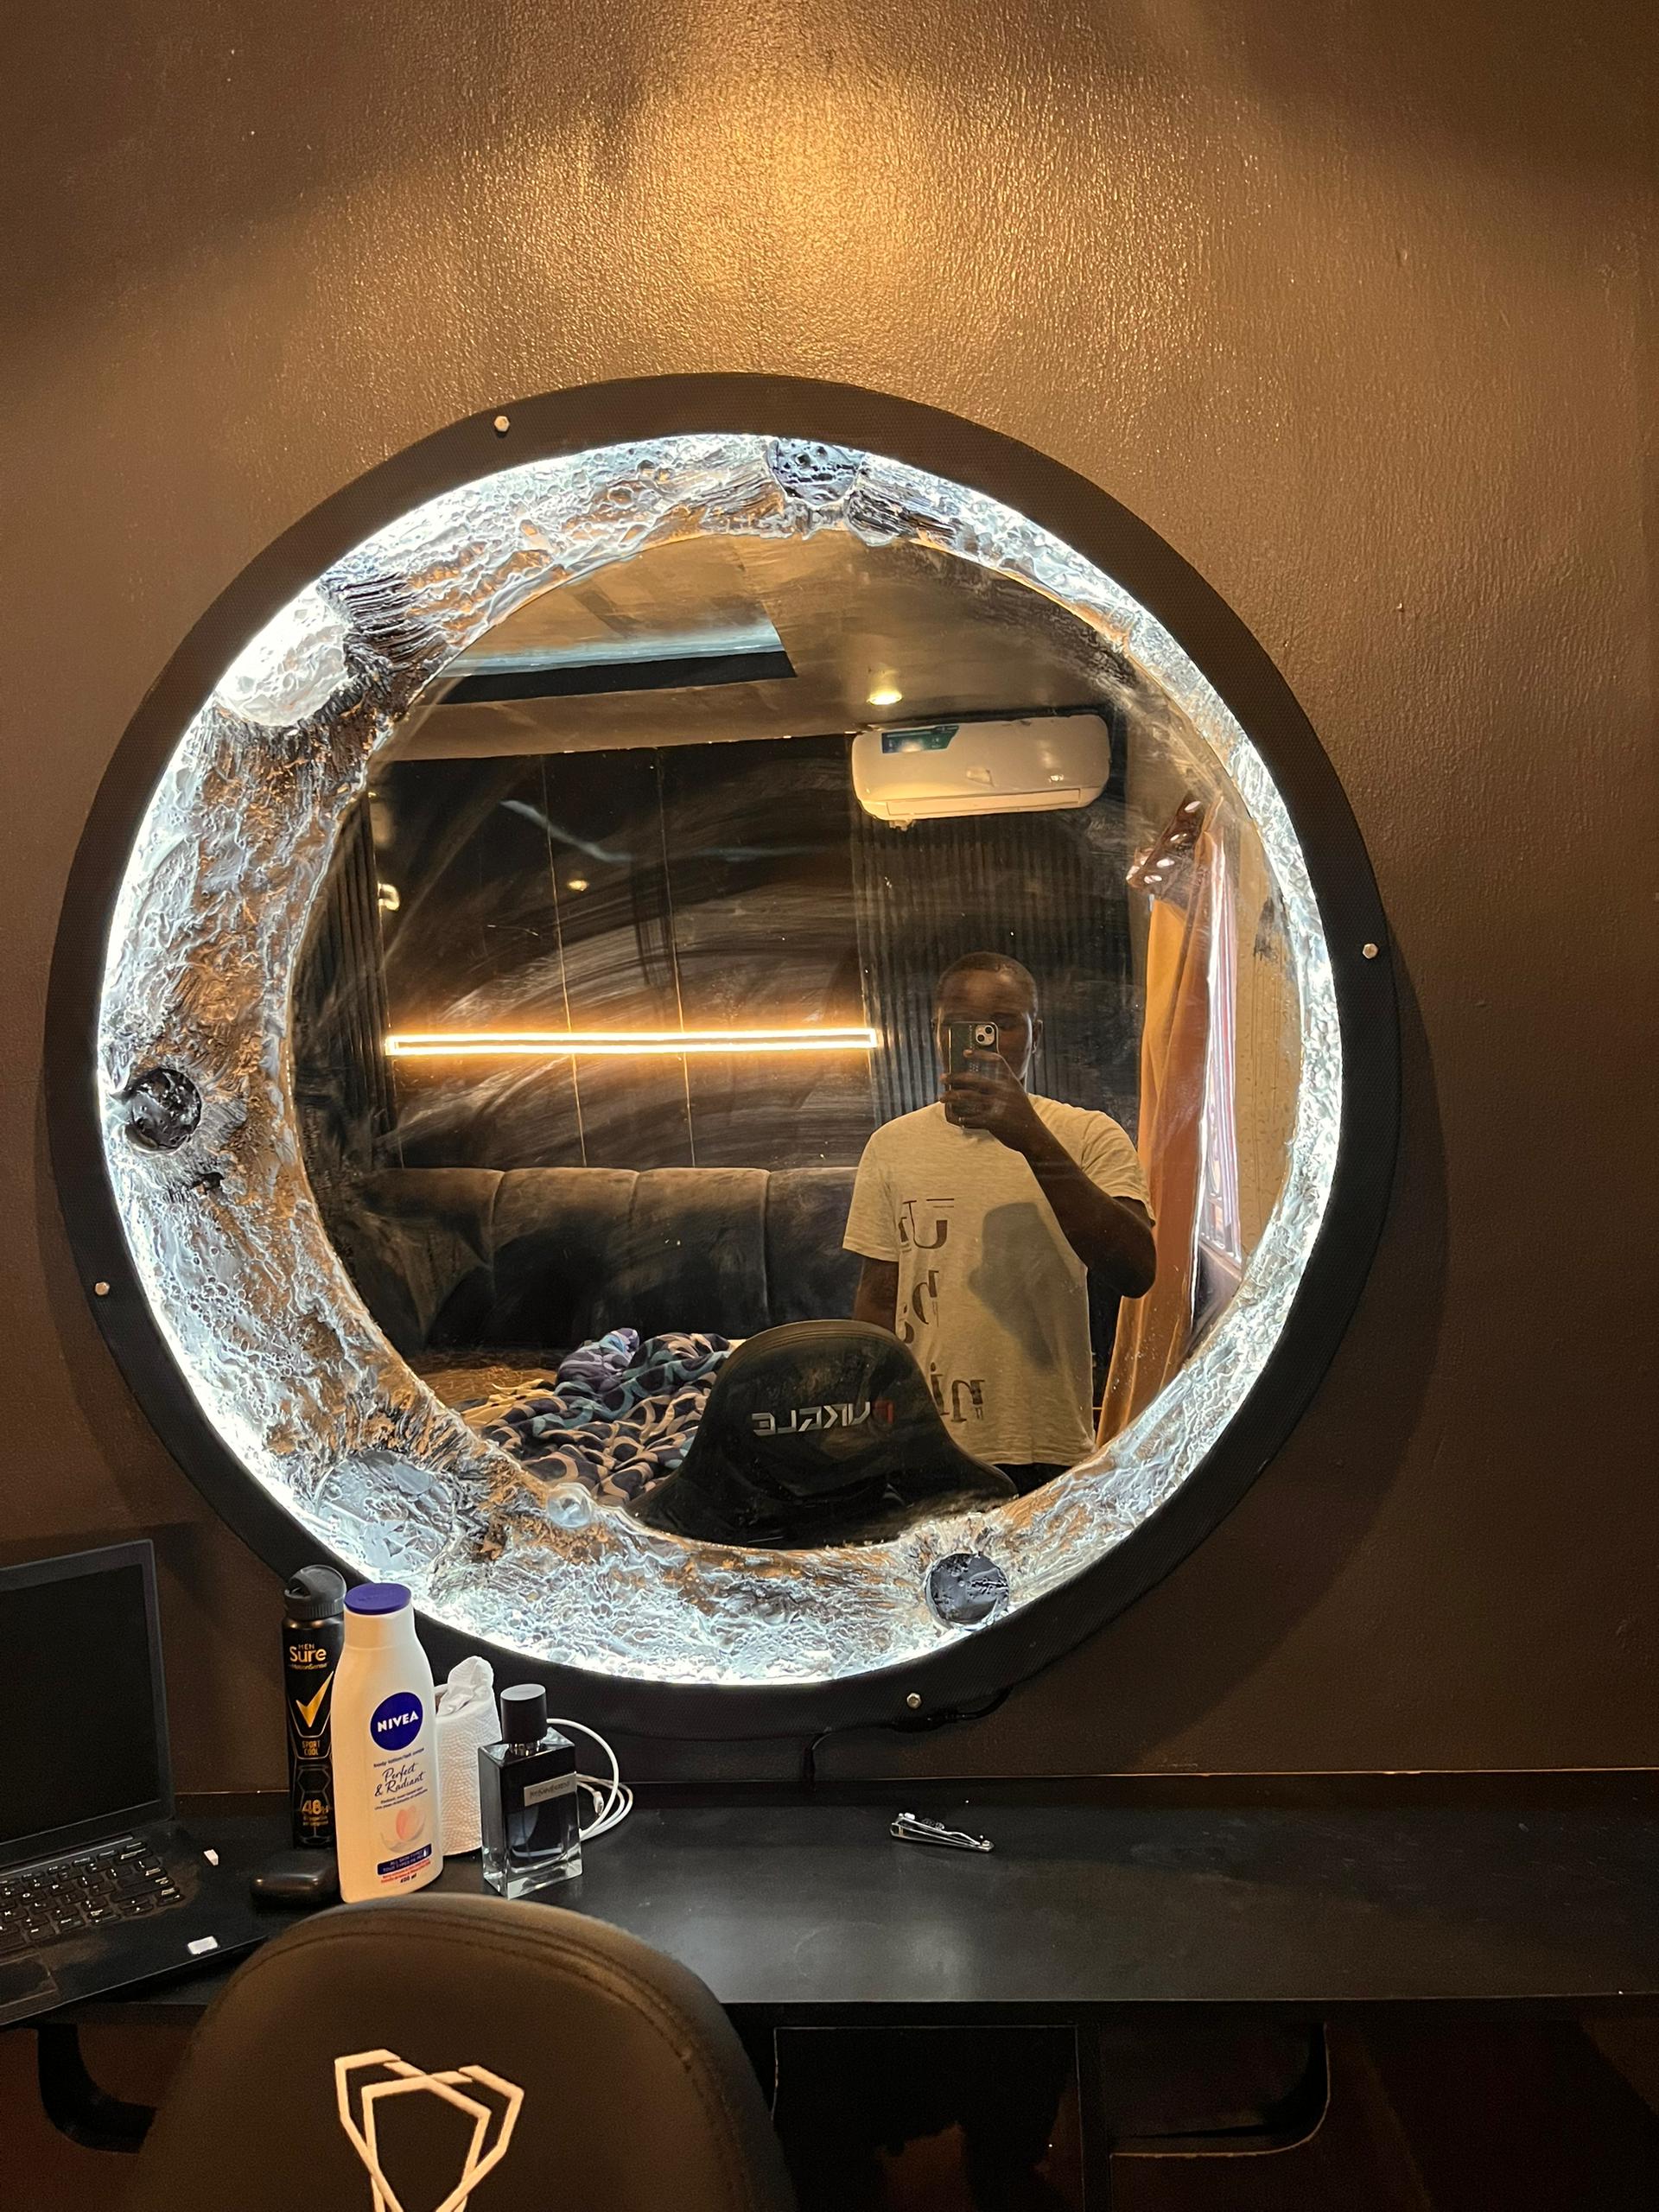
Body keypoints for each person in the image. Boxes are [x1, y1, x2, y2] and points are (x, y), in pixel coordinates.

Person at [843, 951, 1155, 1491]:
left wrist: (1031, 1138)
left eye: (1003, 1024)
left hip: (1045, 1436)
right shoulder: (891, 1145)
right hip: (927, 1440)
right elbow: (879, 1295)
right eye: (958, 1026)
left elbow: (1135, 1271)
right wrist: (870, 1422)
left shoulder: (1089, 1135)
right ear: (935, 1034)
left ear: (1036, 1035)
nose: (979, 1043)